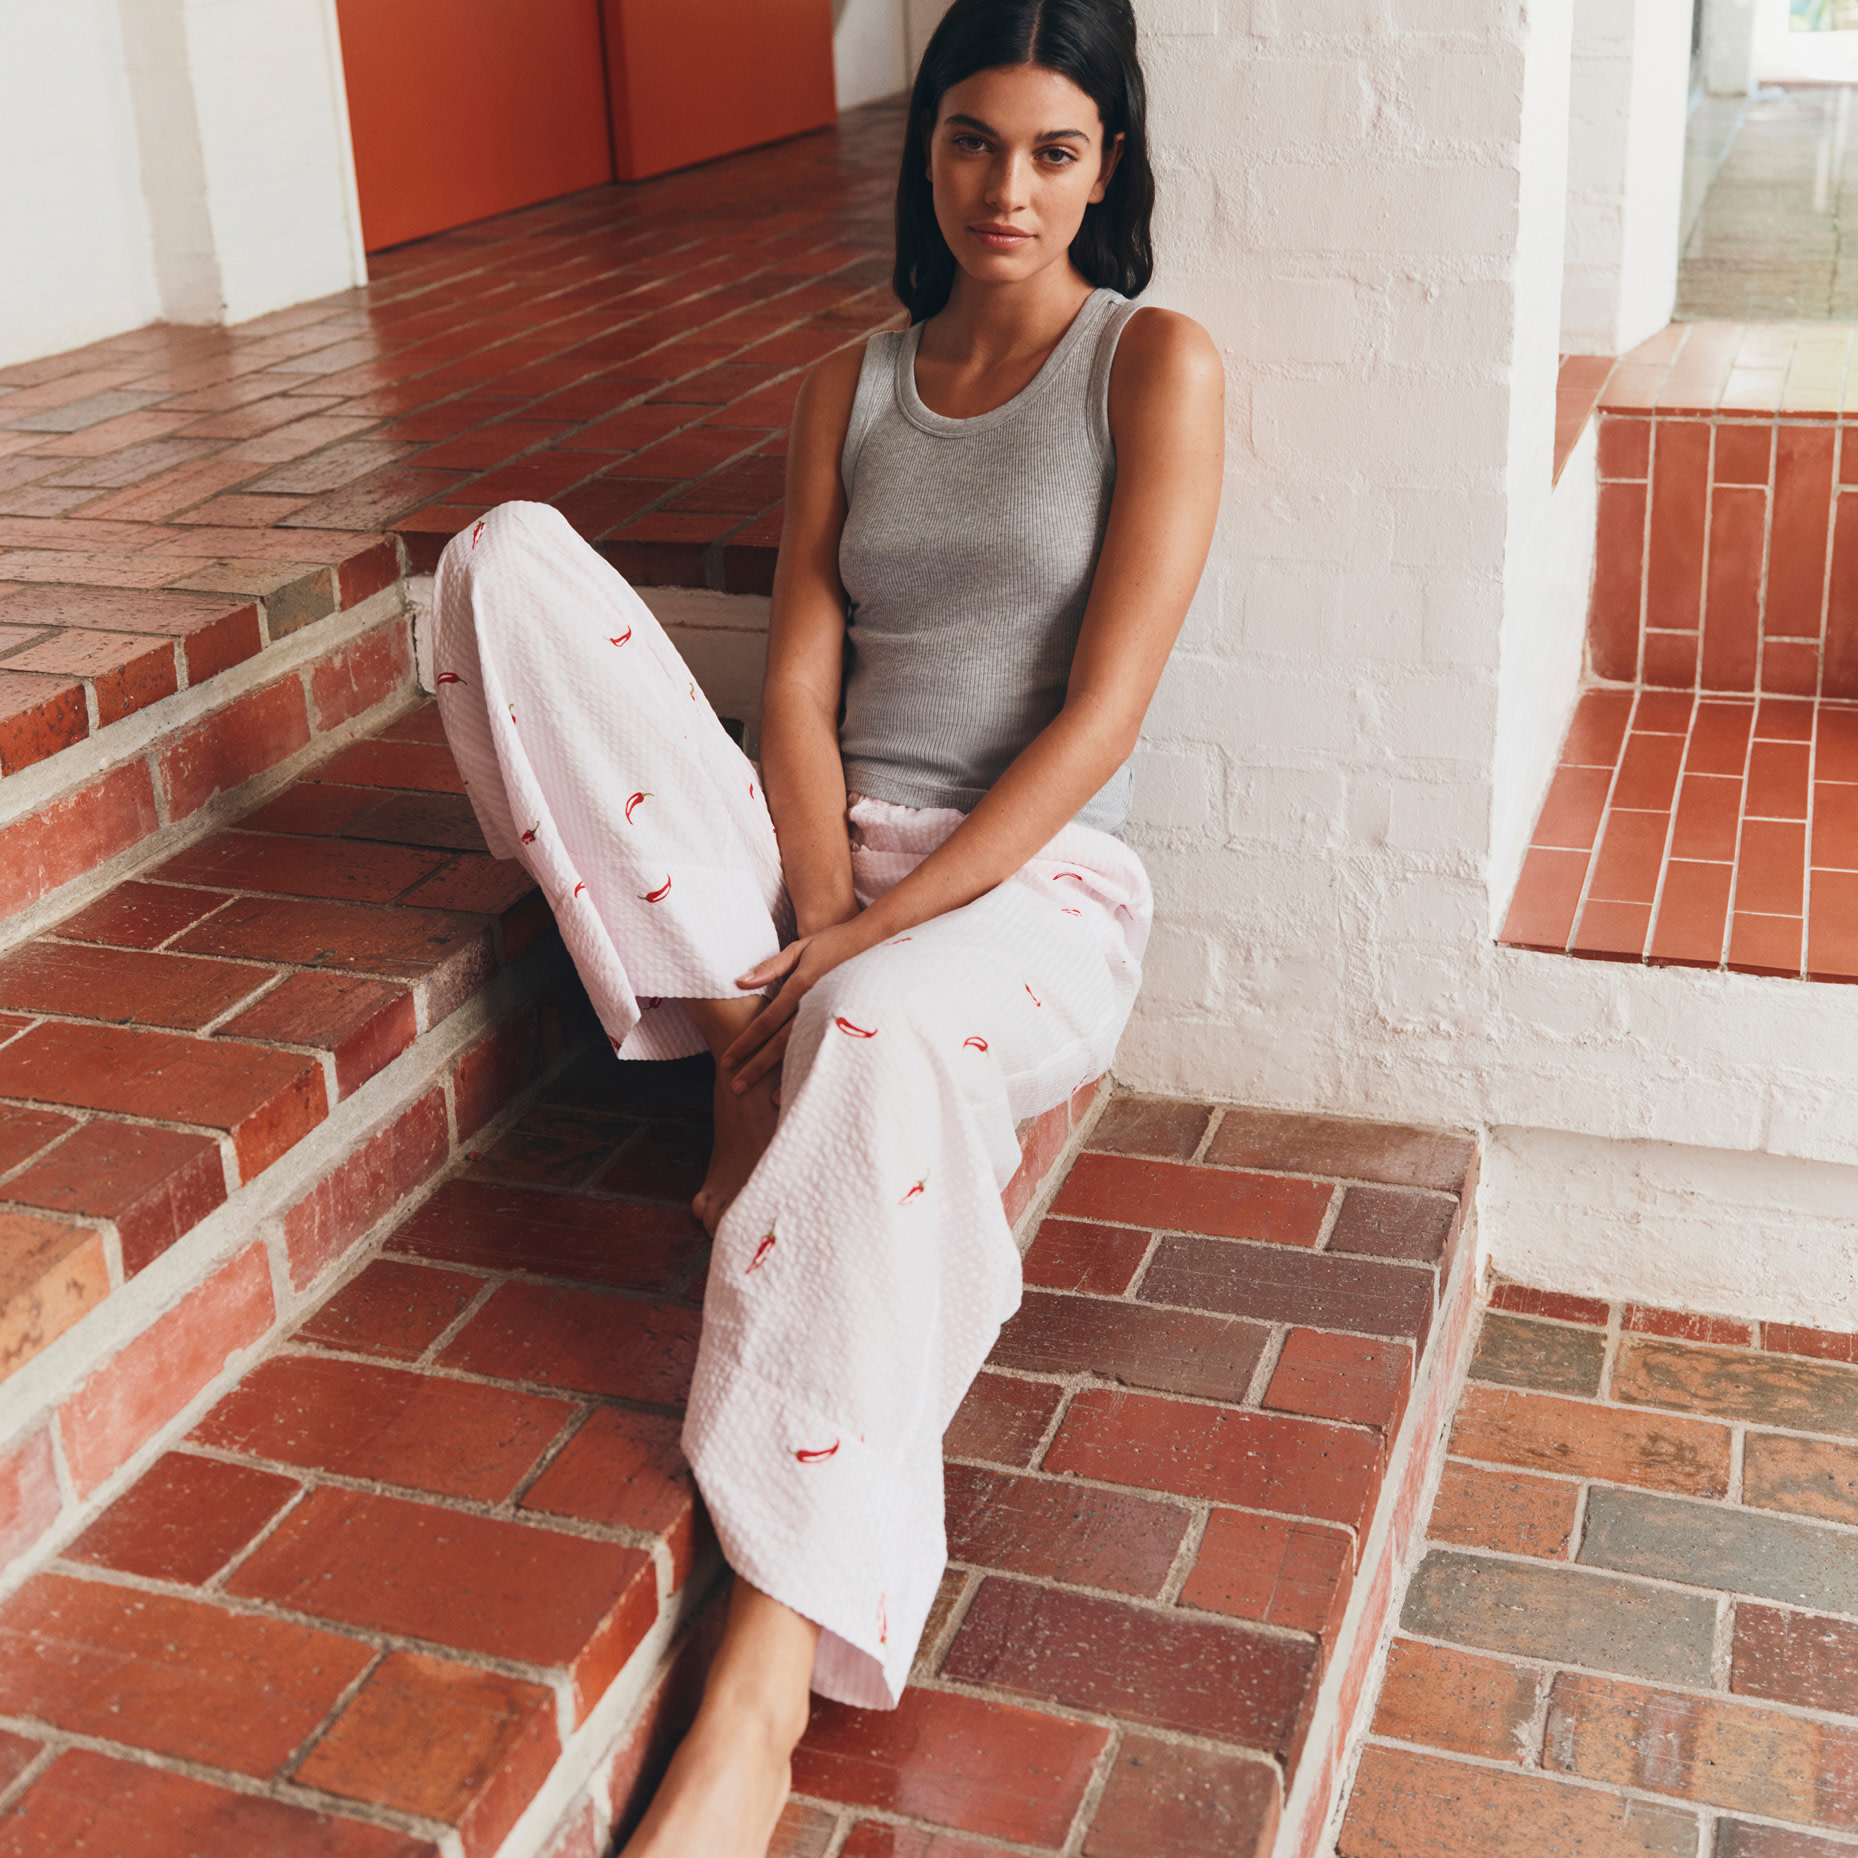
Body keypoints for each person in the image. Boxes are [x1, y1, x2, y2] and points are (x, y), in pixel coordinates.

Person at [431, 0, 1222, 1850]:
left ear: (1108, 168)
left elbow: (1098, 717)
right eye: (969, 141)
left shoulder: (1149, 368)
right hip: (810, 863)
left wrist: (873, 937)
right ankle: (748, 1058)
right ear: (922, 145)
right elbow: (794, 683)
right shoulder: (848, 381)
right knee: (503, 558)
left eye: (1050, 150)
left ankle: (762, 1675)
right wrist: (814, 906)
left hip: (1022, 882)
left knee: (871, 1032)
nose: (1004, 188)